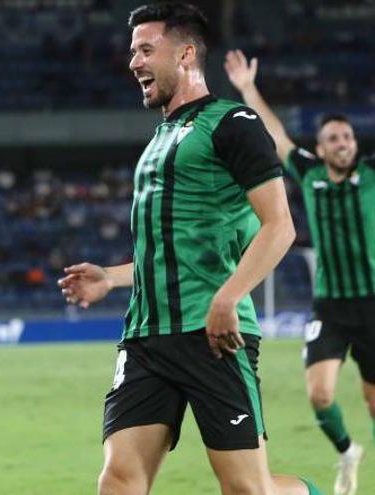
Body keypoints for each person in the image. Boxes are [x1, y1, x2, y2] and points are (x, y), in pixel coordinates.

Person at [57, 4, 320, 494]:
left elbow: (279, 226)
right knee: (118, 480)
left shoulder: (233, 123)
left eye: (145, 49)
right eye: (132, 50)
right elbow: (172, 252)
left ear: (186, 53)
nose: (133, 61)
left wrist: (227, 297)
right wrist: (111, 278)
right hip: (145, 339)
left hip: (214, 335)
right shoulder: (159, 137)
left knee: (247, 489)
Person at [225, 48, 373, 495]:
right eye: (333, 138)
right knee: (320, 395)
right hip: (329, 305)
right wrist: (249, 88)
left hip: (373, 305)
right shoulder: (308, 173)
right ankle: (347, 451)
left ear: (355, 143)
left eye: (347, 137)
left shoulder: (372, 176)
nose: (342, 143)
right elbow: (276, 135)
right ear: (321, 146)